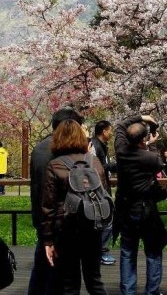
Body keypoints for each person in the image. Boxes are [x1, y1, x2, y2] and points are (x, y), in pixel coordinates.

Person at [41, 119, 109, 295]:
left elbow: (48, 206)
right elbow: (105, 193)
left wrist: (48, 239)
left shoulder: (55, 165)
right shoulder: (94, 162)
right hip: (93, 226)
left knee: (70, 284)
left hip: (66, 230)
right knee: (94, 280)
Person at [29, 107, 84, 295]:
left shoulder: (39, 148)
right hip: (61, 219)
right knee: (61, 273)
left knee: (42, 268)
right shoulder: (62, 151)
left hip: (42, 216)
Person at [114, 114, 167, 295]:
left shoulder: (121, 153)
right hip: (146, 210)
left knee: (128, 251)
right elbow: (157, 162)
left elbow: (121, 126)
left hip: (126, 209)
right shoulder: (151, 159)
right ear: (143, 139)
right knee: (153, 252)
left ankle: (128, 291)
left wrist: (141, 117)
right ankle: (151, 291)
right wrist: (151, 144)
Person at [90, 120, 116, 266]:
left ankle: (99, 251)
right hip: (99, 190)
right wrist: (115, 165)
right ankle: (101, 252)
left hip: (103, 188)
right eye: (110, 130)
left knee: (106, 220)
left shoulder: (102, 146)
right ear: (104, 131)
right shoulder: (95, 146)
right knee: (106, 221)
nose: (111, 133)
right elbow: (97, 167)